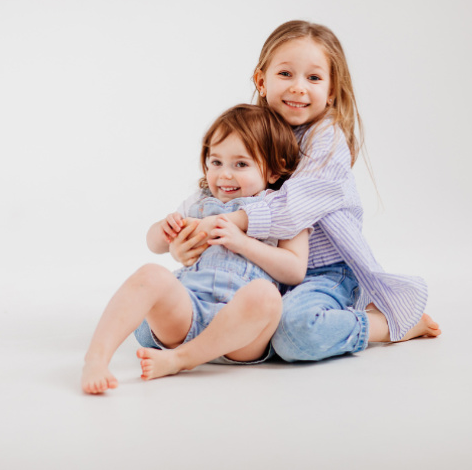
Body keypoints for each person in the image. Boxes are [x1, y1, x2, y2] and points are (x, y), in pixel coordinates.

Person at [171, 20, 441, 362]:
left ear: (331, 92)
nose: (299, 88)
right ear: (261, 80)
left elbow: (291, 208)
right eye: (286, 74)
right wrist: (191, 242)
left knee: (295, 333)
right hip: (265, 265)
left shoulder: (327, 140)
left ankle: (385, 326)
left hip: (322, 272)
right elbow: (220, 190)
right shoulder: (253, 129)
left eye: (313, 78)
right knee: (167, 317)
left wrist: (229, 222)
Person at [81, 104, 308, 393]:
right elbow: (154, 245)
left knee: (266, 296)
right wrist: (166, 231)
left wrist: (243, 243)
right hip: (188, 313)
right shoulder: (198, 202)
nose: (224, 175)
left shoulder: (283, 209)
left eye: (240, 164)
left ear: (274, 170)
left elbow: (294, 270)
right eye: (216, 162)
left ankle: (180, 360)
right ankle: (96, 358)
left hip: (241, 335)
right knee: (151, 273)